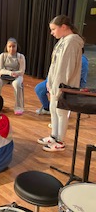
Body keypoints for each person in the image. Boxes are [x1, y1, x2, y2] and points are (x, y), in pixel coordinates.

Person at [37, 15, 84, 152]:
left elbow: (66, 69)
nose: (52, 33)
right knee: (53, 110)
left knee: (61, 112)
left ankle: (60, 141)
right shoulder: (63, 40)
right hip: (55, 84)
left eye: (53, 29)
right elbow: (55, 65)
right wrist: (50, 83)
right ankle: (54, 136)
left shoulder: (72, 41)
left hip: (63, 86)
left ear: (63, 27)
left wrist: (58, 88)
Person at [0, 38, 26, 115]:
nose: (12, 48)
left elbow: (22, 71)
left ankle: (18, 107)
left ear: (17, 47)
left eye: (13, 46)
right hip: (5, 75)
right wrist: (10, 73)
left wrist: (15, 73)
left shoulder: (21, 57)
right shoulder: (3, 55)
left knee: (17, 84)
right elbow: (0, 70)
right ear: (7, 47)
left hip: (17, 76)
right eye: (10, 46)